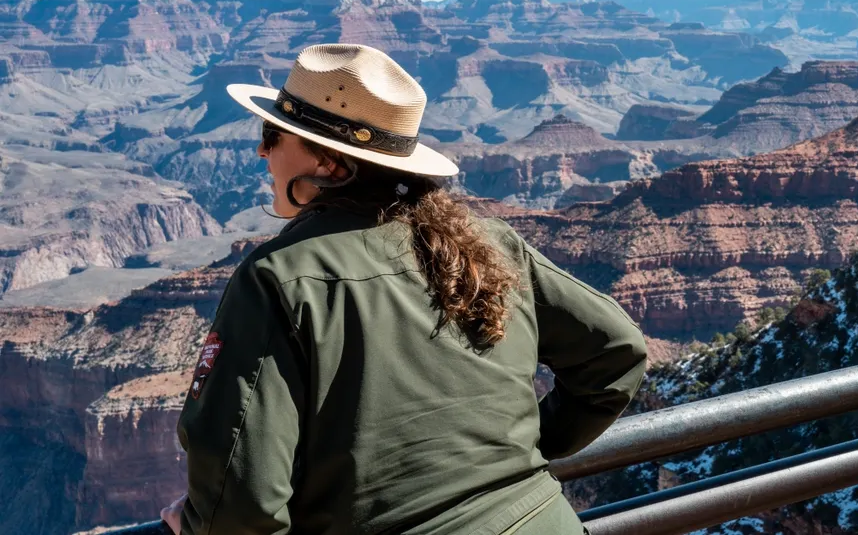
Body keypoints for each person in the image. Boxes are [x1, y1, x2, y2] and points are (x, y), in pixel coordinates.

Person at [160, 43, 648, 534]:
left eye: (273, 134)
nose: (263, 151)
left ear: (329, 163)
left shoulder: (279, 277)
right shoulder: (486, 241)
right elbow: (615, 352)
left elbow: (240, 505)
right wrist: (513, 456)